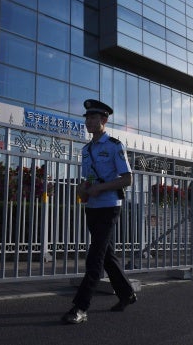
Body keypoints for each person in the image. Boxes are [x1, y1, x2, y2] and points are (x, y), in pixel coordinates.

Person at [61, 99, 136, 325]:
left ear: (104, 120)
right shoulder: (86, 150)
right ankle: (127, 294)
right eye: (86, 118)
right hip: (92, 207)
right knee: (107, 256)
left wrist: (99, 188)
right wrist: (83, 189)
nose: (88, 122)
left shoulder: (114, 145)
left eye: (93, 118)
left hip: (109, 207)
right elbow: (89, 179)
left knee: (95, 257)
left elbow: (127, 179)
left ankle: (80, 307)